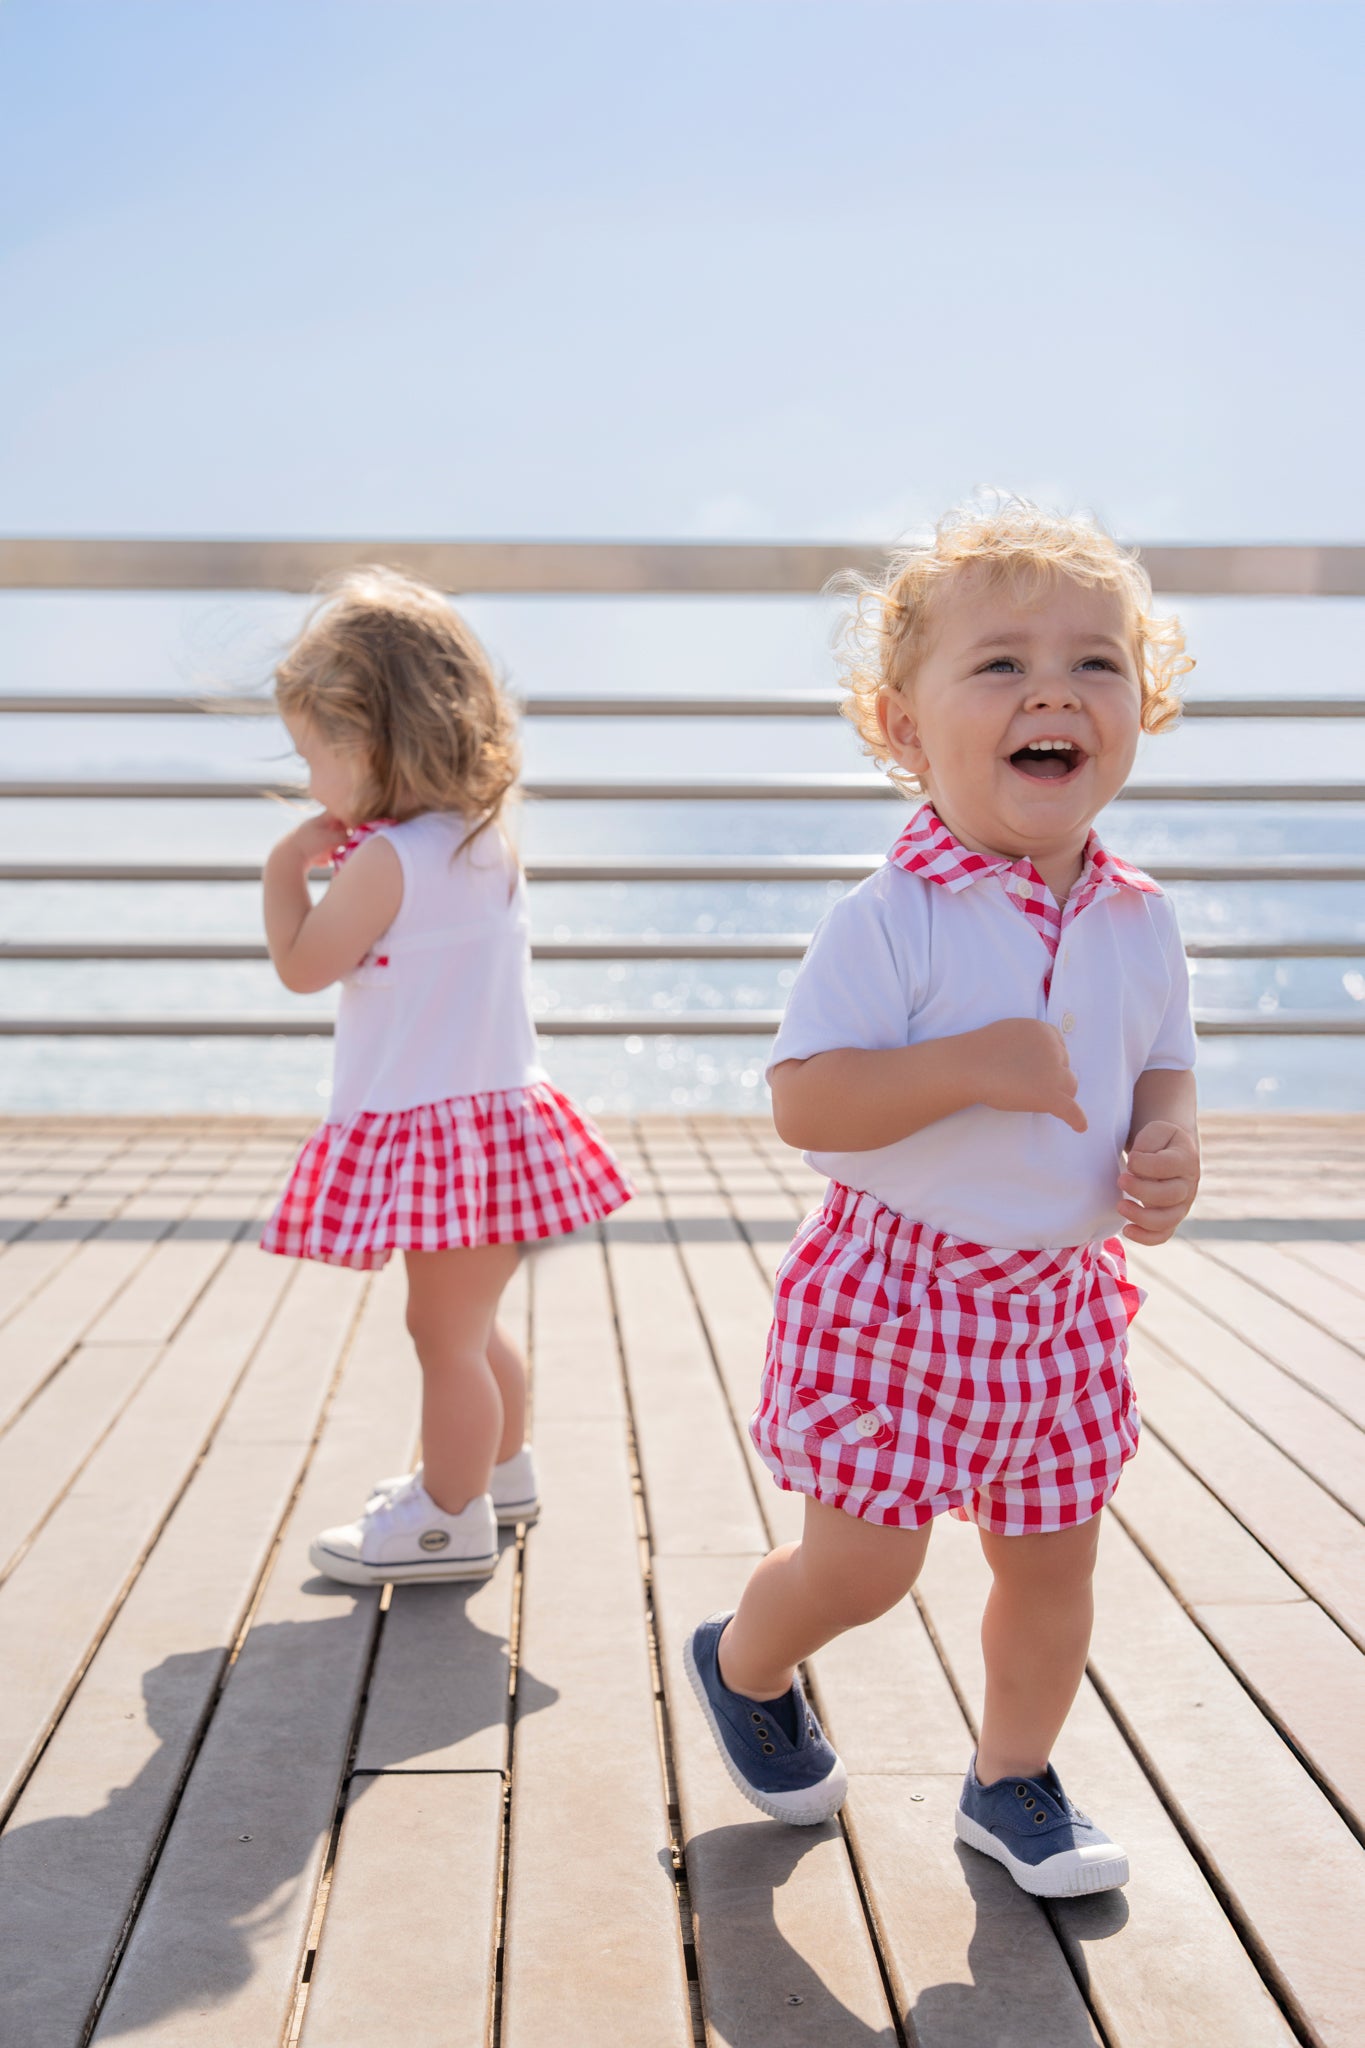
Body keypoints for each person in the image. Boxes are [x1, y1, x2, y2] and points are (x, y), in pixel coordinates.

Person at [685, 497, 1200, 1899]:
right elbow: (806, 1103)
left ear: (1136, 708)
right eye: (999, 665)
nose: (1052, 688)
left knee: (1050, 1569)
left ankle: (1013, 1782)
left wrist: (1168, 1149)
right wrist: (966, 1067)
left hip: (1060, 1306)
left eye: (1094, 663)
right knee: (866, 1569)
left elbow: (1162, 1063)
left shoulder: (1140, 915)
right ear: (901, 728)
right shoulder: (889, 918)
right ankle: (744, 1660)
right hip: (894, 1286)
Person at [259, 568, 632, 1585]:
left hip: (436, 1134)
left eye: (313, 757)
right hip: (500, 1125)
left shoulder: (382, 862)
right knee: (466, 1324)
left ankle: (446, 1515)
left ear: (369, 740)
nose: (310, 786)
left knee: (442, 1337)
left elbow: (302, 966)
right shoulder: (482, 841)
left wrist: (285, 871)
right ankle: (500, 1472)